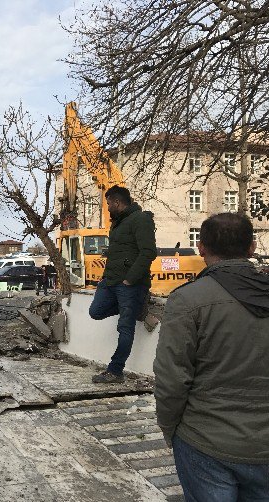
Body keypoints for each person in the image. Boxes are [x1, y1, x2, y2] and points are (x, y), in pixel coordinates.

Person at [154, 213, 269, 500]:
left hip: (205, 442)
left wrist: (170, 429)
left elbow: (171, 379)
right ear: (252, 247)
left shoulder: (188, 300)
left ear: (202, 248)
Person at [88, 185, 157, 383]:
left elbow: (148, 252)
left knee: (125, 328)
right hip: (111, 281)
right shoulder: (119, 222)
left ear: (117, 202)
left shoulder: (141, 219)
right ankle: (136, 307)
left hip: (130, 284)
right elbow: (126, 249)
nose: (107, 207)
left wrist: (130, 279)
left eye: (109, 203)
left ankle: (115, 371)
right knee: (96, 311)